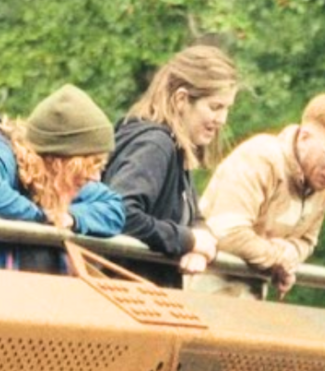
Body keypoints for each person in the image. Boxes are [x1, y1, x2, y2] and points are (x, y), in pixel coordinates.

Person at [0, 84, 125, 272]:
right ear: (57, 162)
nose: (95, 177)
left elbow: (113, 208)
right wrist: (43, 217)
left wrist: (71, 218)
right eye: (87, 168)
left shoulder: (61, 178)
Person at [191, 93, 325, 299]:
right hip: (200, 291)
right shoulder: (260, 158)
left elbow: (308, 241)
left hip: (250, 300)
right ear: (304, 138)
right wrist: (278, 259)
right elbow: (226, 233)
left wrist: (290, 254)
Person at [101, 45, 238, 288]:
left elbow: (193, 216)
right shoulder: (155, 145)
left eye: (227, 109)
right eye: (215, 107)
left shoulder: (176, 148)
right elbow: (119, 213)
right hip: (125, 299)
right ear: (182, 99)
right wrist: (185, 240)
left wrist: (199, 241)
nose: (222, 120)